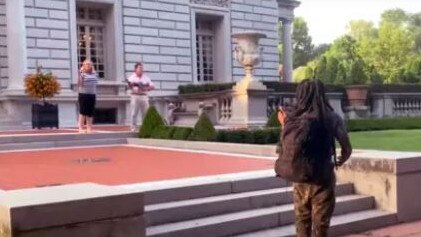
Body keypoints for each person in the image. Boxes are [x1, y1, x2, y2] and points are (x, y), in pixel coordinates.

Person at [277, 79, 352, 237]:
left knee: (301, 220)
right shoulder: (331, 117)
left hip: (300, 178)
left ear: (300, 94)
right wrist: (339, 160)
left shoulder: (293, 118)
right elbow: (347, 148)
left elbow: (284, 147)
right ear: (321, 94)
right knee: (321, 225)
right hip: (322, 179)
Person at [128, 62, 155, 132]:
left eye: (142, 68)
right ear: (135, 69)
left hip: (144, 96)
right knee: (134, 112)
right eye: (139, 68)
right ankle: (133, 127)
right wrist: (135, 85)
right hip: (135, 96)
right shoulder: (131, 77)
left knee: (146, 112)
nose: (141, 69)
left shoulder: (146, 78)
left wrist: (145, 88)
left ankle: (146, 127)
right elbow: (130, 85)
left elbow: (152, 86)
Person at [78, 59, 99, 134]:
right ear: (83, 66)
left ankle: (89, 128)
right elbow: (80, 84)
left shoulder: (95, 74)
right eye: (86, 64)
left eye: (89, 64)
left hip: (92, 94)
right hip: (83, 94)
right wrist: (81, 74)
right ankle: (80, 128)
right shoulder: (82, 74)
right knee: (83, 112)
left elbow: (96, 83)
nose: (88, 66)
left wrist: (92, 71)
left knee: (90, 112)